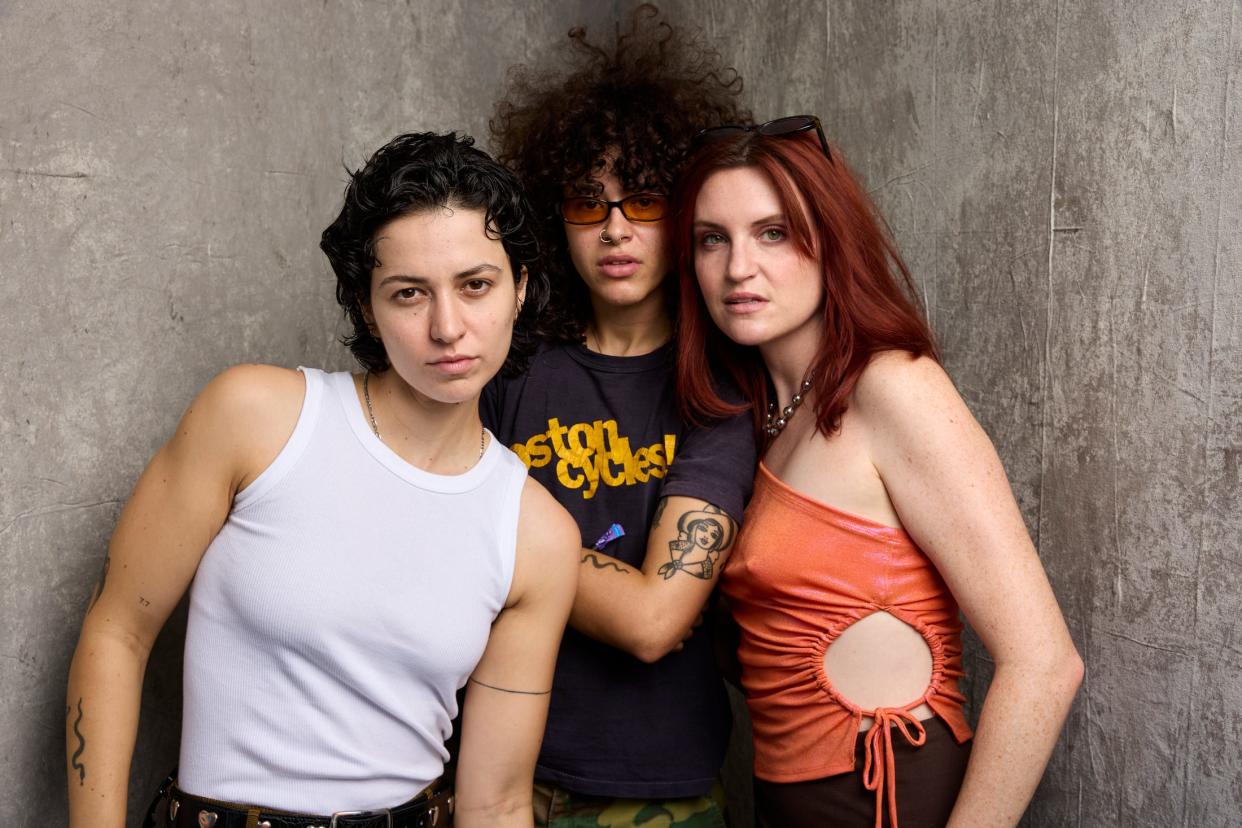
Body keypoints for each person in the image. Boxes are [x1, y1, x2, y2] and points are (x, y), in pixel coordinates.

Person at [65, 132, 579, 828]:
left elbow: (496, 802)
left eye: (476, 285)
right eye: (408, 293)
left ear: (520, 290)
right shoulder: (256, 417)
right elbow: (117, 631)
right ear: (367, 308)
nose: (447, 326)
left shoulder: (535, 532)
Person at [673, 118, 1084, 827]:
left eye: (773, 233)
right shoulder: (761, 420)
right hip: (782, 803)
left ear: (830, 243)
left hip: (889, 801)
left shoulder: (893, 387)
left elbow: (1045, 664)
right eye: (714, 238)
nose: (739, 267)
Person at [483, 5, 756, 825]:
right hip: (504, 773)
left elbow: (652, 620)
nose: (613, 229)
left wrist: (500, 540)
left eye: (641, 200)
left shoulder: (720, 390)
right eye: (585, 202)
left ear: (682, 212)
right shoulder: (507, 364)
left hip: (663, 787)